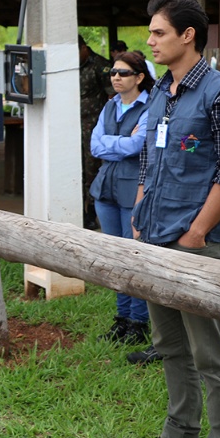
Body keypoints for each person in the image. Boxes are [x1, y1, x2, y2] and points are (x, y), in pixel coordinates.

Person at [128, 0, 220, 438]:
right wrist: (141, 218)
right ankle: (179, 433)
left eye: (159, 33)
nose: (152, 41)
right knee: (169, 345)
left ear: (188, 35)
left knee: (211, 355)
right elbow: (150, 160)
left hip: (195, 244)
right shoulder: (161, 88)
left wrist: (197, 233)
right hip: (155, 237)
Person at [90, 52, 153, 346]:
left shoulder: (150, 107)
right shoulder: (109, 105)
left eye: (123, 73)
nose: (116, 77)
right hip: (106, 190)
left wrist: (111, 144)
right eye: (113, 72)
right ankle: (122, 319)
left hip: (133, 191)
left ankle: (138, 323)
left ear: (139, 77)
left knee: (134, 258)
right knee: (115, 260)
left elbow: (138, 146)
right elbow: (94, 146)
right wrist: (120, 143)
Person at [78, 35, 115, 229]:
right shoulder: (68, 65)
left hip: (92, 126)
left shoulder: (100, 65)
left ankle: (90, 214)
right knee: (77, 170)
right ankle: (79, 210)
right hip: (72, 126)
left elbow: (112, 94)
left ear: (84, 48)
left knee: (92, 170)